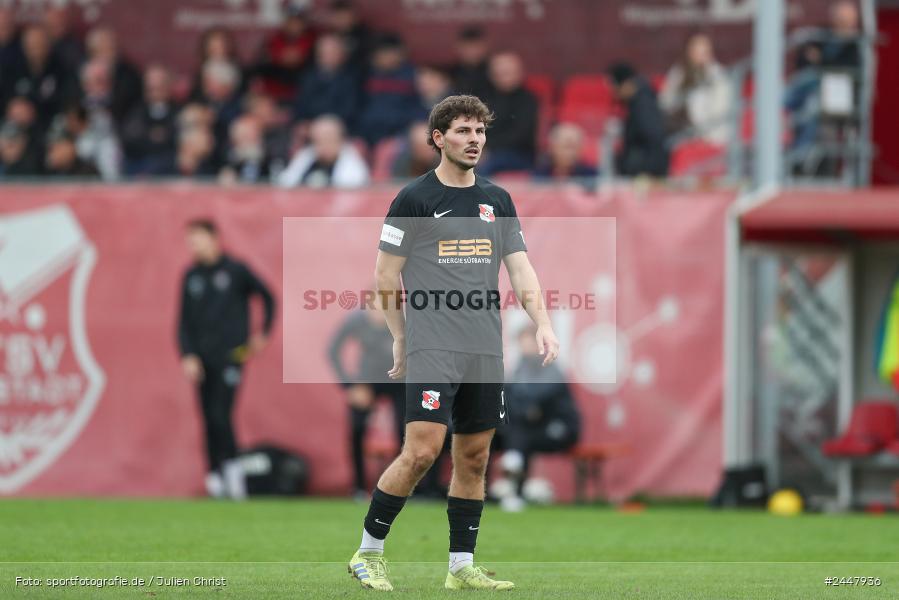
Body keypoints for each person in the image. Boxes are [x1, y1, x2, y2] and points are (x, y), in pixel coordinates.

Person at [348, 94, 560, 591]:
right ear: (439, 139)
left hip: (484, 347)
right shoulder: (413, 199)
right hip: (433, 345)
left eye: (480, 131)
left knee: (475, 458)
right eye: (464, 131)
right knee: (422, 452)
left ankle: (461, 566)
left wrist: (544, 322)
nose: (475, 139)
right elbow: (385, 276)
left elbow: (521, 269)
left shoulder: (497, 200)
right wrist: (400, 337)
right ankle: (367, 553)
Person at [177, 220, 276, 500]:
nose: (194, 246)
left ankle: (233, 474)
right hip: (202, 359)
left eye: (198, 239)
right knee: (207, 417)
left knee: (222, 414)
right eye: (190, 241)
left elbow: (268, 297)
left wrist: (263, 333)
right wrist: (188, 354)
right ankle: (214, 477)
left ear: (214, 239)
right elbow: (183, 322)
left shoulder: (235, 270)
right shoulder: (191, 276)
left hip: (231, 356)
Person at [495, 324, 580, 512]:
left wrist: (523, 406)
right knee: (509, 432)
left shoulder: (551, 367)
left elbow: (539, 397)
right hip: (530, 427)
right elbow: (510, 397)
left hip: (560, 429)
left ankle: (515, 489)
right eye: (522, 344)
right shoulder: (520, 367)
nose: (525, 349)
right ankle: (497, 490)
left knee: (521, 437)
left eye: (529, 344)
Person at [328, 307, 406, 498]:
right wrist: (350, 385)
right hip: (367, 382)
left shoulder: (404, 320)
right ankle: (359, 487)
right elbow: (333, 351)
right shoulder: (357, 320)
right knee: (358, 428)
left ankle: (404, 486)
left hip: (400, 382)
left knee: (407, 431)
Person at [659, 32, 732, 145]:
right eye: (696, 52)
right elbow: (665, 102)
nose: (700, 57)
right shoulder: (679, 72)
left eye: (704, 52)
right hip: (676, 128)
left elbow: (720, 112)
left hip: (707, 132)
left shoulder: (718, 76)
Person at [607, 62, 669, 178]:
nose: (614, 94)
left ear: (626, 84)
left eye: (615, 88)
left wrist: (650, 173)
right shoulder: (636, 103)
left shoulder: (643, 105)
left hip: (645, 174)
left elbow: (654, 138)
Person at [479, 52, 538, 174]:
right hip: (485, 149)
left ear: (519, 73)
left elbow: (520, 135)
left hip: (519, 154)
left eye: (507, 73)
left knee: (482, 167)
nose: (503, 78)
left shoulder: (528, 100)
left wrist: (487, 147)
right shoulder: (484, 97)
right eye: (498, 74)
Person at [356, 33, 419, 146]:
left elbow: (415, 110)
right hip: (365, 135)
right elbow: (357, 108)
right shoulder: (365, 75)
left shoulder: (411, 76)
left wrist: (398, 136)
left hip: (398, 136)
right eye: (382, 53)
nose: (385, 58)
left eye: (390, 53)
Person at [278, 114, 369, 188]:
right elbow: (285, 183)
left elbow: (352, 194)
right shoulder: (305, 156)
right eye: (318, 141)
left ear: (340, 140)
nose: (323, 146)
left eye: (328, 139)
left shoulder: (352, 164)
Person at [120, 64, 180, 176]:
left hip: (169, 167)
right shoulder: (136, 112)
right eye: (151, 89)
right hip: (139, 165)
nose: (155, 93)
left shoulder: (178, 112)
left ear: (168, 87)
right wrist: (153, 137)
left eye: (159, 88)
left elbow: (177, 139)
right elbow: (130, 139)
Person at [293, 33, 360, 129]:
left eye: (332, 52)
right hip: (310, 126)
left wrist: (319, 124)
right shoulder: (309, 77)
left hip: (338, 126)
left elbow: (349, 110)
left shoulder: (353, 77)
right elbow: (301, 105)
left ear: (342, 54)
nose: (327, 56)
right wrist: (302, 121)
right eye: (323, 52)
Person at [532, 122, 597, 181]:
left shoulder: (591, 175)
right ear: (552, 147)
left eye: (575, 147)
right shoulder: (540, 172)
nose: (571, 152)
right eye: (567, 146)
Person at [449, 26, 491, 99]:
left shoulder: (493, 73)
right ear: (458, 47)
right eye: (467, 47)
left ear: (484, 47)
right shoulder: (451, 74)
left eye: (475, 47)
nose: (471, 52)